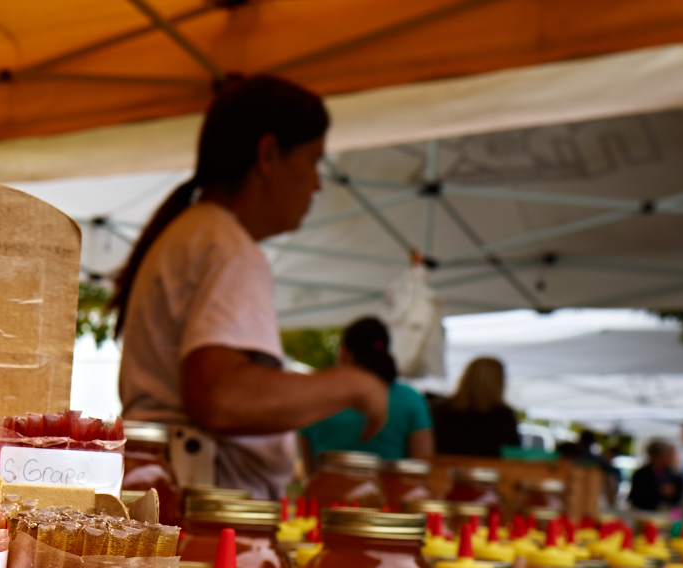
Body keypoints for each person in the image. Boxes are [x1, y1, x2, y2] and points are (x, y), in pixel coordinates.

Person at [115, 77, 388, 500]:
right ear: (269, 155)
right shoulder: (227, 246)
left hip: (166, 486)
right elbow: (220, 396)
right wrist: (354, 385)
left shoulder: (195, 232)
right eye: (313, 161)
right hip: (204, 505)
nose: (317, 184)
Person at [297, 316, 434, 463]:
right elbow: (423, 465)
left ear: (344, 352)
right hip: (391, 486)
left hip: (328, 485)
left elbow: (310, 472)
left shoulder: (314, 401)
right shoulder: (411, 398)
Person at [430, 357, 521, 457]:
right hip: (490, 470)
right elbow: (512, 453)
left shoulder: (438, 410)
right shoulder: (504, 416)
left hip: (441, 469)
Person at [628, 439, 683, 512]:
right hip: (644, 513)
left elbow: (680, 497)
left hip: (666, 514)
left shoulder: (674, 475)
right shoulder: (641, 474)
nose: (668, 459)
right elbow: (635, 497)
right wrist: (658, 491)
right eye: (665, 455)